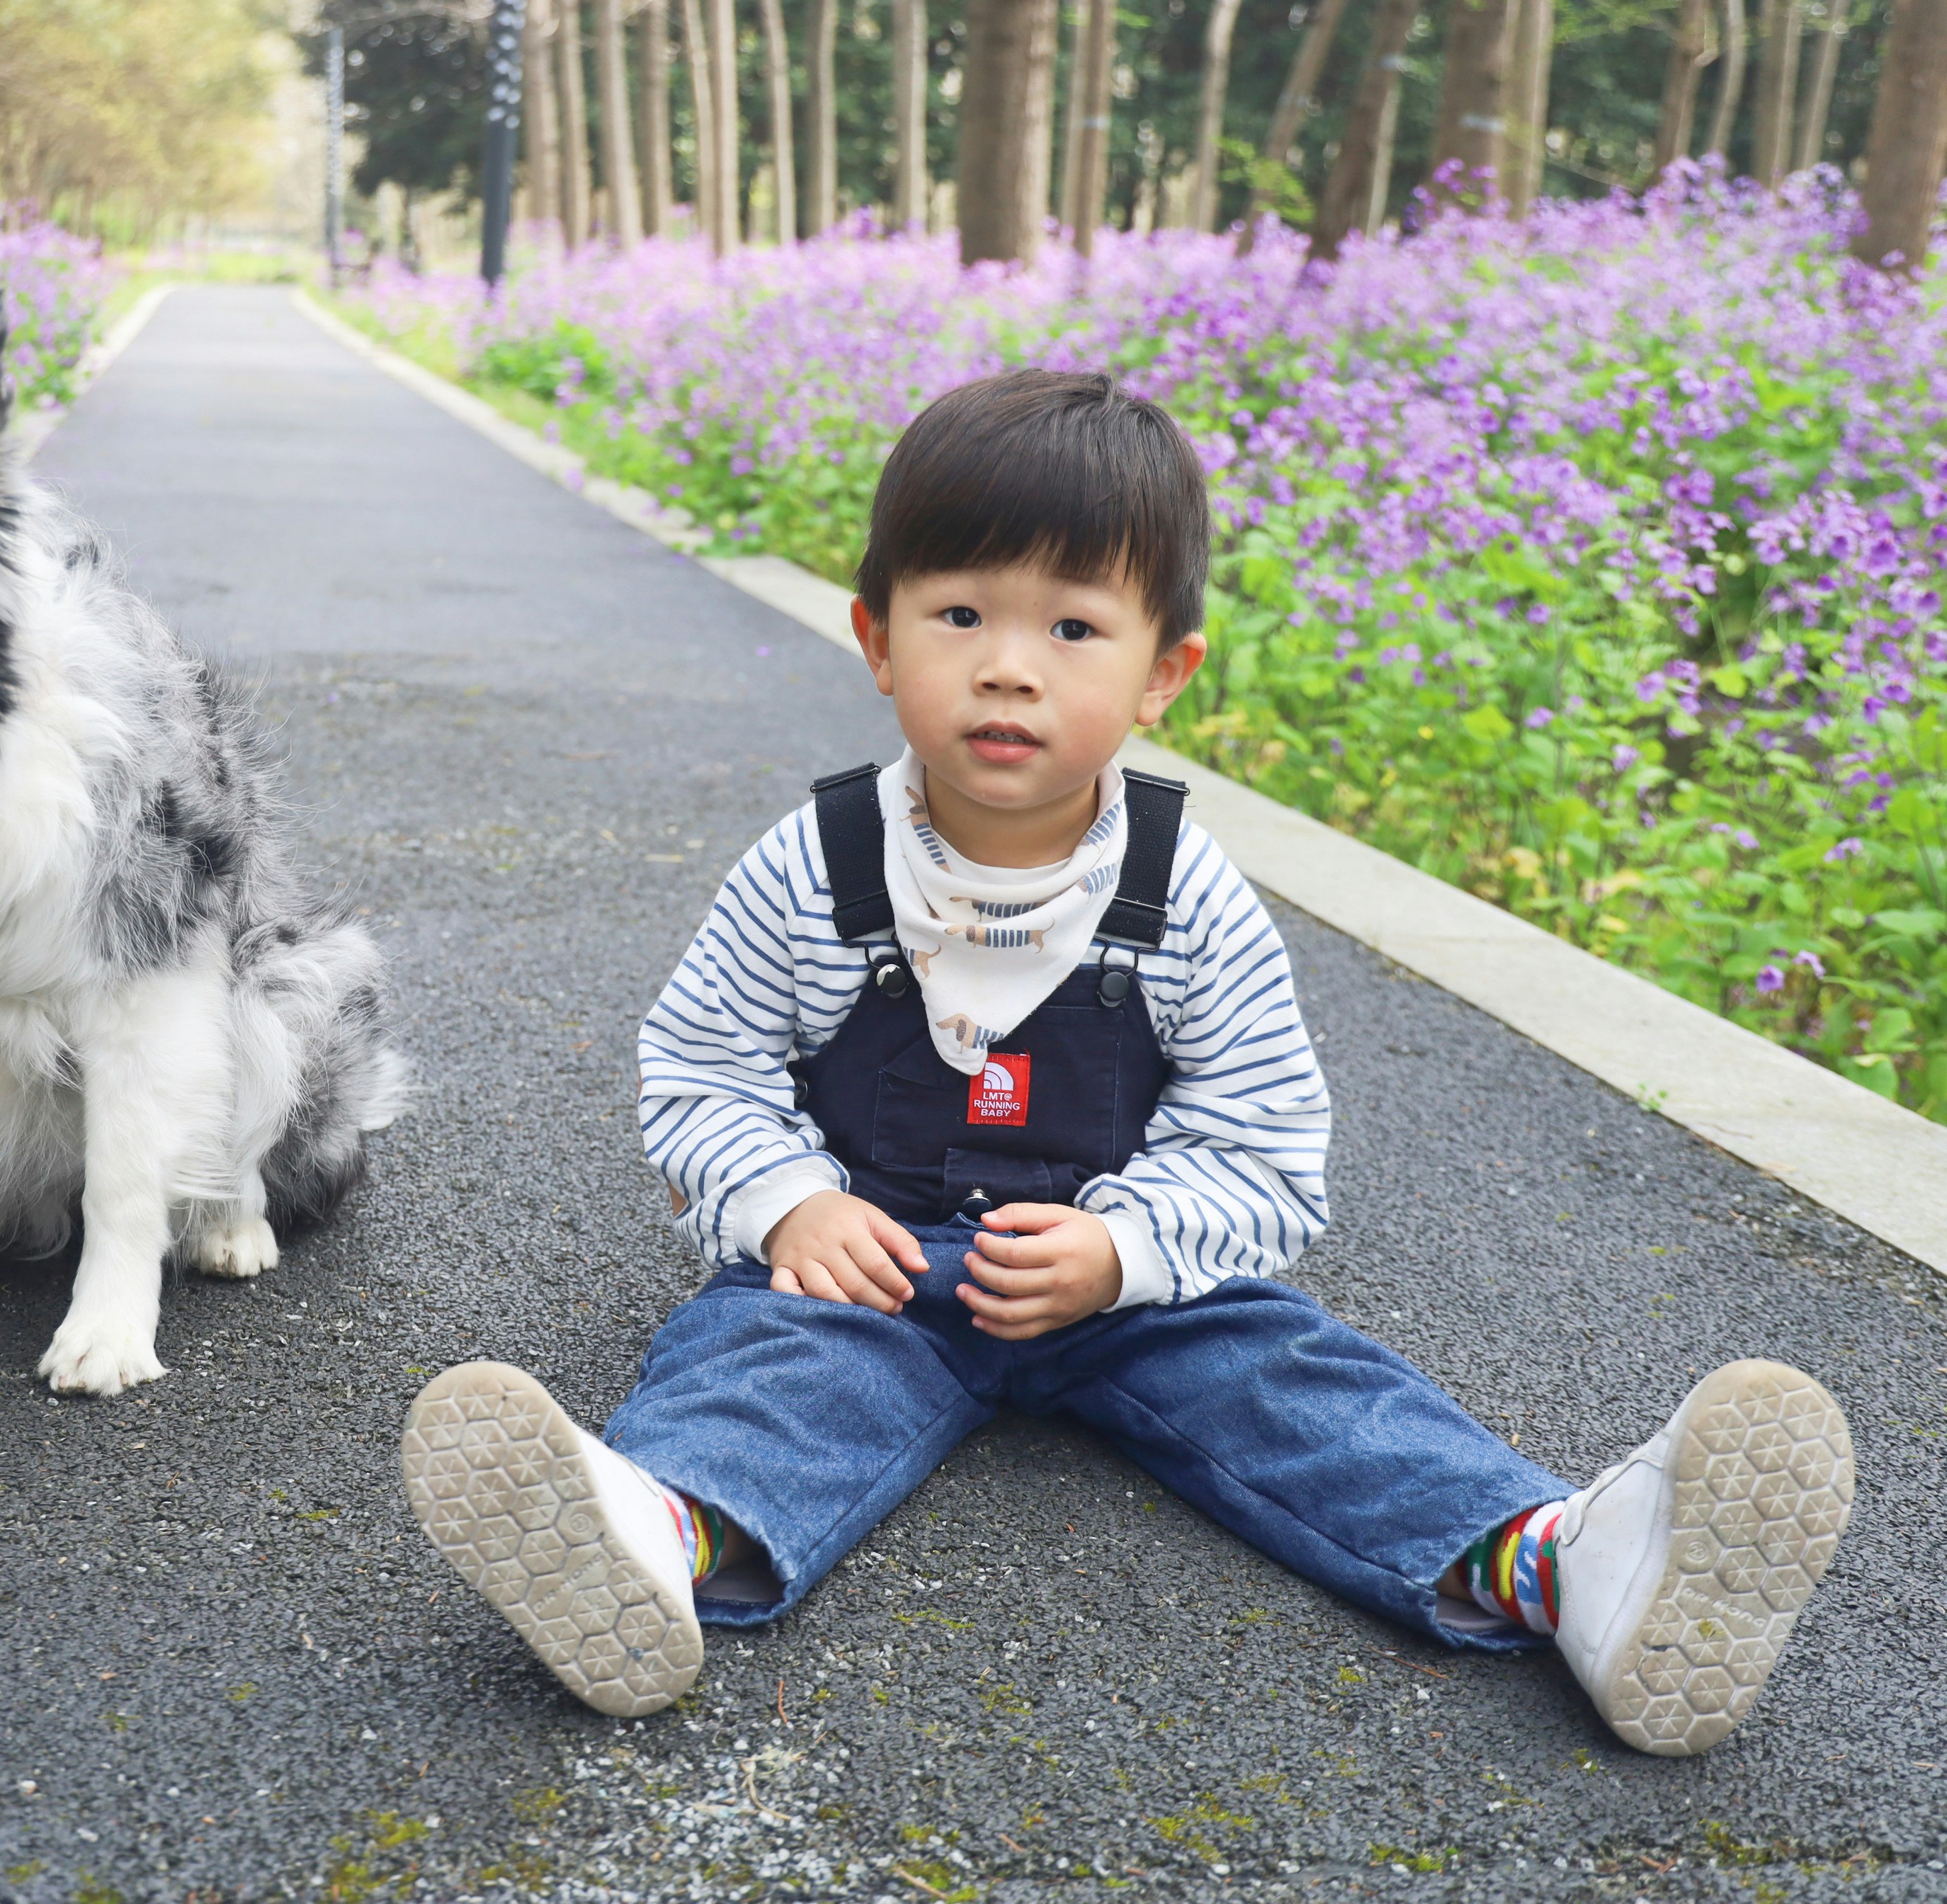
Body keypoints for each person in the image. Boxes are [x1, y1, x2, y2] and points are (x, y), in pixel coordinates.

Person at [399, 370, 1855, 1757]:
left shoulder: (1192, 893)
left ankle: (1568, 1562)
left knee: (1298, 1379)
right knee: (763, 1365)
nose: (1009, 668)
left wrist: (1128, 1247)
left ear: (1167, 673)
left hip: (1126, 1287)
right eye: (960, 613)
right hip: (874, 1269)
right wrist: (788, 1205)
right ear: (876, 638)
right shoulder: (817, 864)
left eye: (1073, 631)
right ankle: (652, 1532)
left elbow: (1269, 1149)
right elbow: (701, 1069)